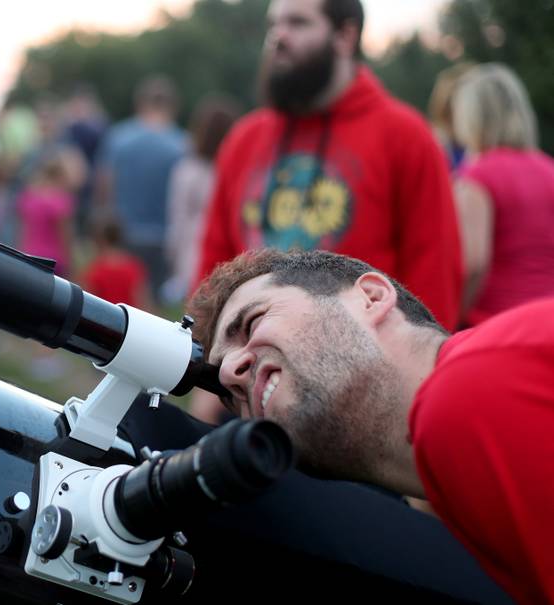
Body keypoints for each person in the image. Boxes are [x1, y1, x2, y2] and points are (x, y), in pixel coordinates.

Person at [187, 247, 554, 604]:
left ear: (372, 297)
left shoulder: (467, 392)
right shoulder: (455, 488)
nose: (230, 372)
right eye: (229, 397)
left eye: (253, 323)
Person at [195, 0, 462, 331]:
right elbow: (214, 268)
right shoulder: (244, 140)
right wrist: (202, 343)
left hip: (366, 356)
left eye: (298, 23)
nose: (279, 36)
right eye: (273, 24)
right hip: (249, 356)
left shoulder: (406, 137)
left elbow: (435, 274)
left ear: (345, 36)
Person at [450, 63, 554, 327]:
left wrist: (450, 317)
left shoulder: (477, 177)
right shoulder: (548, 169)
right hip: (547, 319)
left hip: (498, 323)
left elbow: (474, 264)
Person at [96, 75, 188, 297]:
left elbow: (104, 184)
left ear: (139, 103)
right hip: (164, 235)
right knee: (155, 305)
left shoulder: (118, 138)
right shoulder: (182, 144)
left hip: (123, 231)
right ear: (173, 106)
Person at [163, 95, 240, 303]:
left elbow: (178, 215)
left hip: (193, 244)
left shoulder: (188, 170)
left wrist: (173, 253)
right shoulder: (233, 171)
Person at [17, 154, 76, 277]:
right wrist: (71, 264)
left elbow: (22, 231)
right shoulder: (60, 200)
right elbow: (65, 236)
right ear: (60, 176)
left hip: (29, 255)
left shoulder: (29, 197)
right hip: (53, 260)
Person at [80, 216, 151, 309]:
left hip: (104, 316)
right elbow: (142, 300)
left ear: (100, 239)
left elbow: (87, 302)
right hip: (129, 316)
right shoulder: (133, 266)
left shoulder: (95, 269)